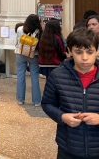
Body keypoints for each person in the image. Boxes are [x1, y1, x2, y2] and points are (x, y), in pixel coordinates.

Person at [42, 28, 99, 159]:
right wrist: (62, 116)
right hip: (68, 146)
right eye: (78, 52)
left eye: (89, 52)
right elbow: (47, 104)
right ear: (69, 51)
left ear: (97, 51)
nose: (85, 57)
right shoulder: (57, 76)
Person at [15, 14, 43, 106]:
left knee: (20, 76)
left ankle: (20, 99)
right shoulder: (39, 31)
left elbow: (17, 42)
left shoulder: (20, 29)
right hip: (33, 54)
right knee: (35, 78)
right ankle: (36, 101)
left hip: (21, 53)